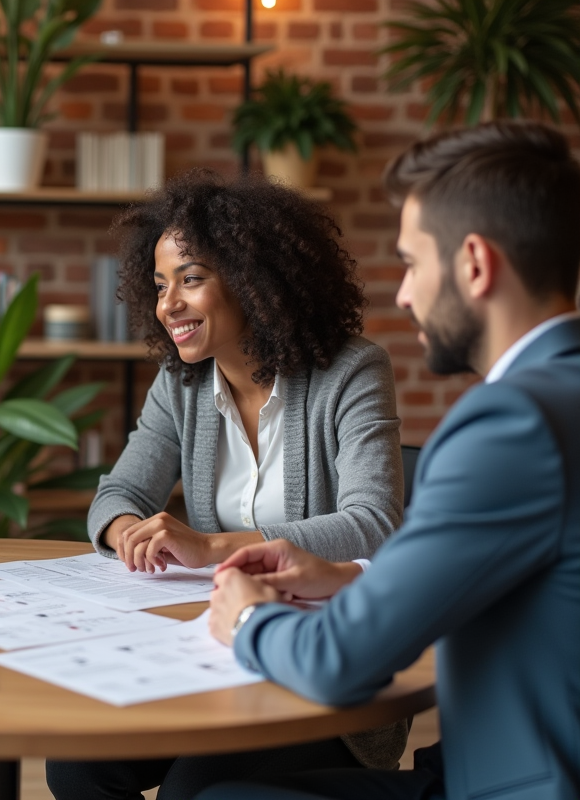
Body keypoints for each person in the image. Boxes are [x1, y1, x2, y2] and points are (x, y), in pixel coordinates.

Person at [199, 120, 580, 800]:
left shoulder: (510, 422)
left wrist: (249, 617)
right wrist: (356, 577)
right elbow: (530, 572)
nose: (402, 295)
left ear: (473, 263)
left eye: (410, 263)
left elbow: (341, 663)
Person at [47, 172, 406, 800]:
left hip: (318, 661)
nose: (168, 306)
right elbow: (118, 492)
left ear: (252, 278)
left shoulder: (351, 372)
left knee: (194, 790)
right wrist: (127, 529)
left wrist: (212, 548)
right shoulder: (181, 385)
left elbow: (373, 522)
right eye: (160, 287)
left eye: (191, 279)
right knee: (74, 764)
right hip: (212, 650)